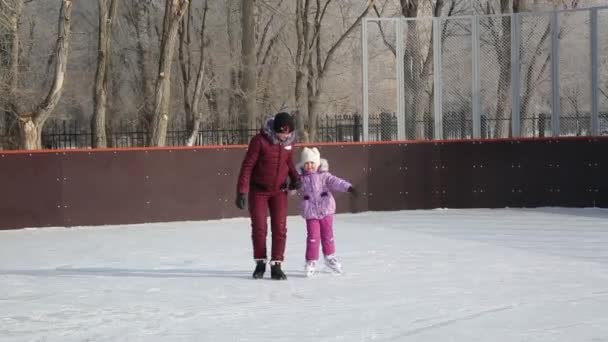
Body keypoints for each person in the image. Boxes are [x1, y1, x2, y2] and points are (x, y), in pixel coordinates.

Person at [235, 112, 301, 280]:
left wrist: (295, 178)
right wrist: (242, 191)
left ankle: (277, 264)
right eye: (282, 132)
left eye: (288, 133)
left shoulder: (289, 143)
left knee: (280, 228)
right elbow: (248, 166)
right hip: (259, 191)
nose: (285, 136)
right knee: (260, 228)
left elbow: (288, 162)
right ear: (274, 129)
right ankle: (260, 262)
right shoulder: (260, 141)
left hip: (279, 191)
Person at [296, 147, 357, 277]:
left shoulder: (324, 176)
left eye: (312, 163)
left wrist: (348, 187)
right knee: (313, 237)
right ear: (303, 165)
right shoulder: (300, 178)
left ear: (317, 163)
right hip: (310, 212)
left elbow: (336, 182)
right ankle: (311, 261)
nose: (310, 165)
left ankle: (330, 257)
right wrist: (291, 186)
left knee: (328, 235)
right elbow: (290, 189)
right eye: (306, 163)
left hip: (326, 209)